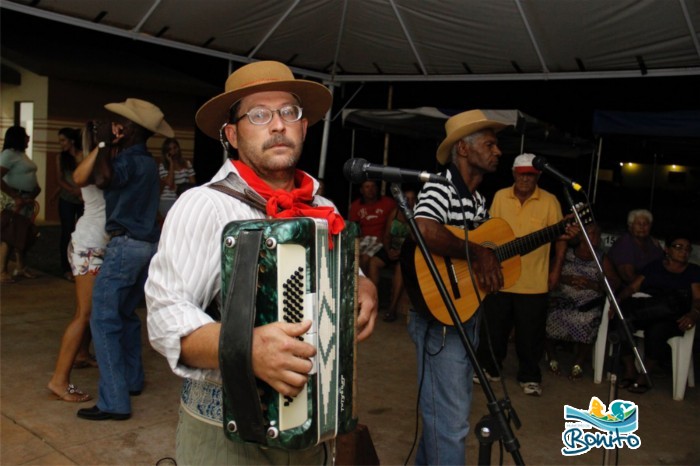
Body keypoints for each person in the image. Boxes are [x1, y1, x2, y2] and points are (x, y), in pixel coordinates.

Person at [144, 60, 378, 464]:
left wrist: (363, 284)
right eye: (258, 114)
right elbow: (165, 316)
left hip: (313, 424)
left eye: (289, 112)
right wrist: (244, 348)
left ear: (304, 126)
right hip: (229, 435)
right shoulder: (206, 205)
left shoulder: (322, 207)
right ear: (232, 134)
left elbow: (342, 272)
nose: (277, 125)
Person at [405, 109, 507, 465]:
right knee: (450, 422)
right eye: (490, 144)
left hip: (464, 312)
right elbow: (426, 228)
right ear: (463, 149)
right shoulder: (440, 186)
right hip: (440, 319)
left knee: (443, 414)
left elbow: (480, 250)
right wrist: (478, 253)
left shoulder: (477, 201)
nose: (498, 152)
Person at [76, 98, 174, 421]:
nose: (114, 125)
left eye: (119, 122)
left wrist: (103, 140)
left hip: (124, 246)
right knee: (125, 314)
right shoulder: (145, 161)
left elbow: (101, 180)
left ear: (130, 129)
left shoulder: (130, 160)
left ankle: (114, 401)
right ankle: (132, 381)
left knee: (103, 320)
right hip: (146, 247)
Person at [476, 153, 572, 397]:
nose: (526, 179)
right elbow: (490, 231)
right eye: (522, 174)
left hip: (533, 280)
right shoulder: (499, 196)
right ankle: (490, 369)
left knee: (530, 334)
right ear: (513, 174)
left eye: (530, 175)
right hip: (500, 276)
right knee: (494, 329)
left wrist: (556, 268)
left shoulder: (550, 201)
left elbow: (561, 237)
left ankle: (529, 375)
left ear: (538, 175)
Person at [47, 121, 110, 402]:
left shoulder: (106, 160)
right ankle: (59, 381)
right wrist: (101, 146)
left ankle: (82, 353)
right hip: (89, 244)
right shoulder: (91, 160)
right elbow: (79, 176)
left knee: (87, 309)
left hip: (94, 242)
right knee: (84, 313)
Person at [616, 232, 699, 394]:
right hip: (646, 309)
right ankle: (629, 368)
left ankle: (645, 373)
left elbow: (698, 298)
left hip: (671, 317)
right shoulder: (654, 266)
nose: (684, 252)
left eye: (687, 249)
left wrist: (694, 314)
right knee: (621, 318)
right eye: (679, 247)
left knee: (657, 330)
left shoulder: (693, 271)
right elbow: (633, 287)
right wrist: (617, 300)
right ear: (667, 249)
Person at [544, 223, 619, 379]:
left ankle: (579, 361)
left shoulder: (601, 258)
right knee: (550, 313)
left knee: (588, 318)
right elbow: (548, 274)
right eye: (591, 233)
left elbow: (614, 282)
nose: (595, 237)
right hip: (562, 298)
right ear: (580, 236)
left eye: (597, 234)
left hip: (588, 302)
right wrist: (567, 279)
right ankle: (551, 356)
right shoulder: (567, 253)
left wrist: (592, 284)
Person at [0, 125, 41, 283]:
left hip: (25, 200)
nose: (28, 138)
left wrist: (31, 195)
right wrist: (16, 196)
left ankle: (21, 267)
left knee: (21, 234)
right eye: (25, 136)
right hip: (14, 201)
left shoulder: (21, 155)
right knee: (9, 234)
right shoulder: (8, 154)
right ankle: (2, 270)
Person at [377, 185, 417, 322]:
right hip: (391, 249)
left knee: (401, 268)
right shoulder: (394, 213)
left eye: (413, 199)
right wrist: (388, 251)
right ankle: (374, 302)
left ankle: (392, 309)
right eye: (406, 198)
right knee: (373, 262)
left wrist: (401, 252)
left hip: (407, 253)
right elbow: (386, 236)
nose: (409, 201)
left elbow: (416, 242)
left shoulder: (417, 216)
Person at [349, 179, 396, 285]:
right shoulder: (356, 206)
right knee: (355, 258)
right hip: (363, 239)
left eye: (373, 186)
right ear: (361, 190)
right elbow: (354, 228)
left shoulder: (388, 203)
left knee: (365, 259)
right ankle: (356, 288)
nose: (371, 190)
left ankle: (366, 289)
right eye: (367, 187)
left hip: (381, 240)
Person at [56, 127, 85, 282]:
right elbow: (59, 179)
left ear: (72, 140)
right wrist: (73, 190)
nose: (61, 144)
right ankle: (66, 267)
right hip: (67, 198)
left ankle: (78, 263)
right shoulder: (61, 157)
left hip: (82, 199)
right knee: (67, 231)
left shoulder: (82, 155)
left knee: (80, 232)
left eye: (63, 140)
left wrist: (81, 191)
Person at [607, 209, 664, 286]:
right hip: (628, 289)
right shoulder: (625, 242)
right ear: (630, 226)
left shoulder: (652, 243)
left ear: (650, 226)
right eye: (638, 224)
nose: (642, 227)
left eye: (645, 224)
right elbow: (628, 276)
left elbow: (663, 266)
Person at [158, 137, 195, 217]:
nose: (173, 151)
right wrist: (171, 164)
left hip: (183, 199)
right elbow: (169, 183)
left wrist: (180, 188)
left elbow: (192, 184)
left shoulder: (187, 164)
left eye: (175, 148)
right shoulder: (163, 166)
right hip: (168, 199)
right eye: (170, 149)